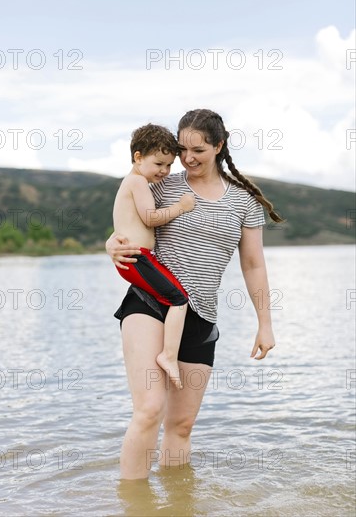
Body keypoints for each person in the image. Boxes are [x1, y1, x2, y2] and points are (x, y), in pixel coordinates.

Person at [106, 109, 282, 480]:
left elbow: (253, 265)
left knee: (181, 425)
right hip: (150, 305)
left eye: (197, 150)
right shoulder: (161, 183)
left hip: (201, 317)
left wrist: (265, 323)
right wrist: (111, 245)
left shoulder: (242, 201)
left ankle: (175, 503)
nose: (186, 159)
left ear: (219, 146)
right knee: (149, 410)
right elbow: (127, 217)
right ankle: (133, 502)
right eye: (181, 150)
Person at [112, 124, 196, 389]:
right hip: (137, 257)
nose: (164, 171)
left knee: (172, 296)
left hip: (140, 258)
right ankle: (168, 355)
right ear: (138, 157)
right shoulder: (137, 181)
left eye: (169, 165)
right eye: (159, 163)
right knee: (179, 299)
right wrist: (181, 207)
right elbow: (150, 218)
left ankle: (164, 350)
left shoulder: (136, 181)